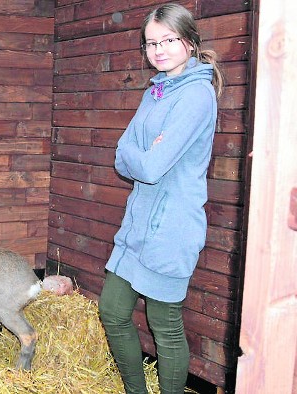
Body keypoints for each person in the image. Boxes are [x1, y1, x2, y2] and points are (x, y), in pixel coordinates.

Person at [98, 4, 224, 394]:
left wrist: (142, 155)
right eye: (151, 43)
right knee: (113, 311)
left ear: (189, 40)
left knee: (165, 325)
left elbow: (150, 168)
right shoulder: (157, 90)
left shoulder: (197, 96)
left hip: (170, 228)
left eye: (168, 40)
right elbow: (122, 155)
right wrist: (142, 154)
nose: (159, 49)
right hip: (138, 223)